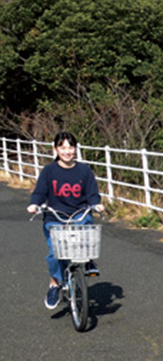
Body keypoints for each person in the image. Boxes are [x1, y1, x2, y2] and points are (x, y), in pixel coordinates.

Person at [27, 132, 104, 308]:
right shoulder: (49, 171)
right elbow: (40, 192)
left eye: (70, 147)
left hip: (78, 213)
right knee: (55, 253)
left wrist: (96, 204)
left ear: (76, 149)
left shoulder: (84, 170)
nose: (67, 151)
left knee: (86, 230)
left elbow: (92, 193)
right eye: (63, 147)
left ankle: (89, 259)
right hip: (55, 216)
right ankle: (54, 283)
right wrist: (34, 204)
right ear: (55, 149)